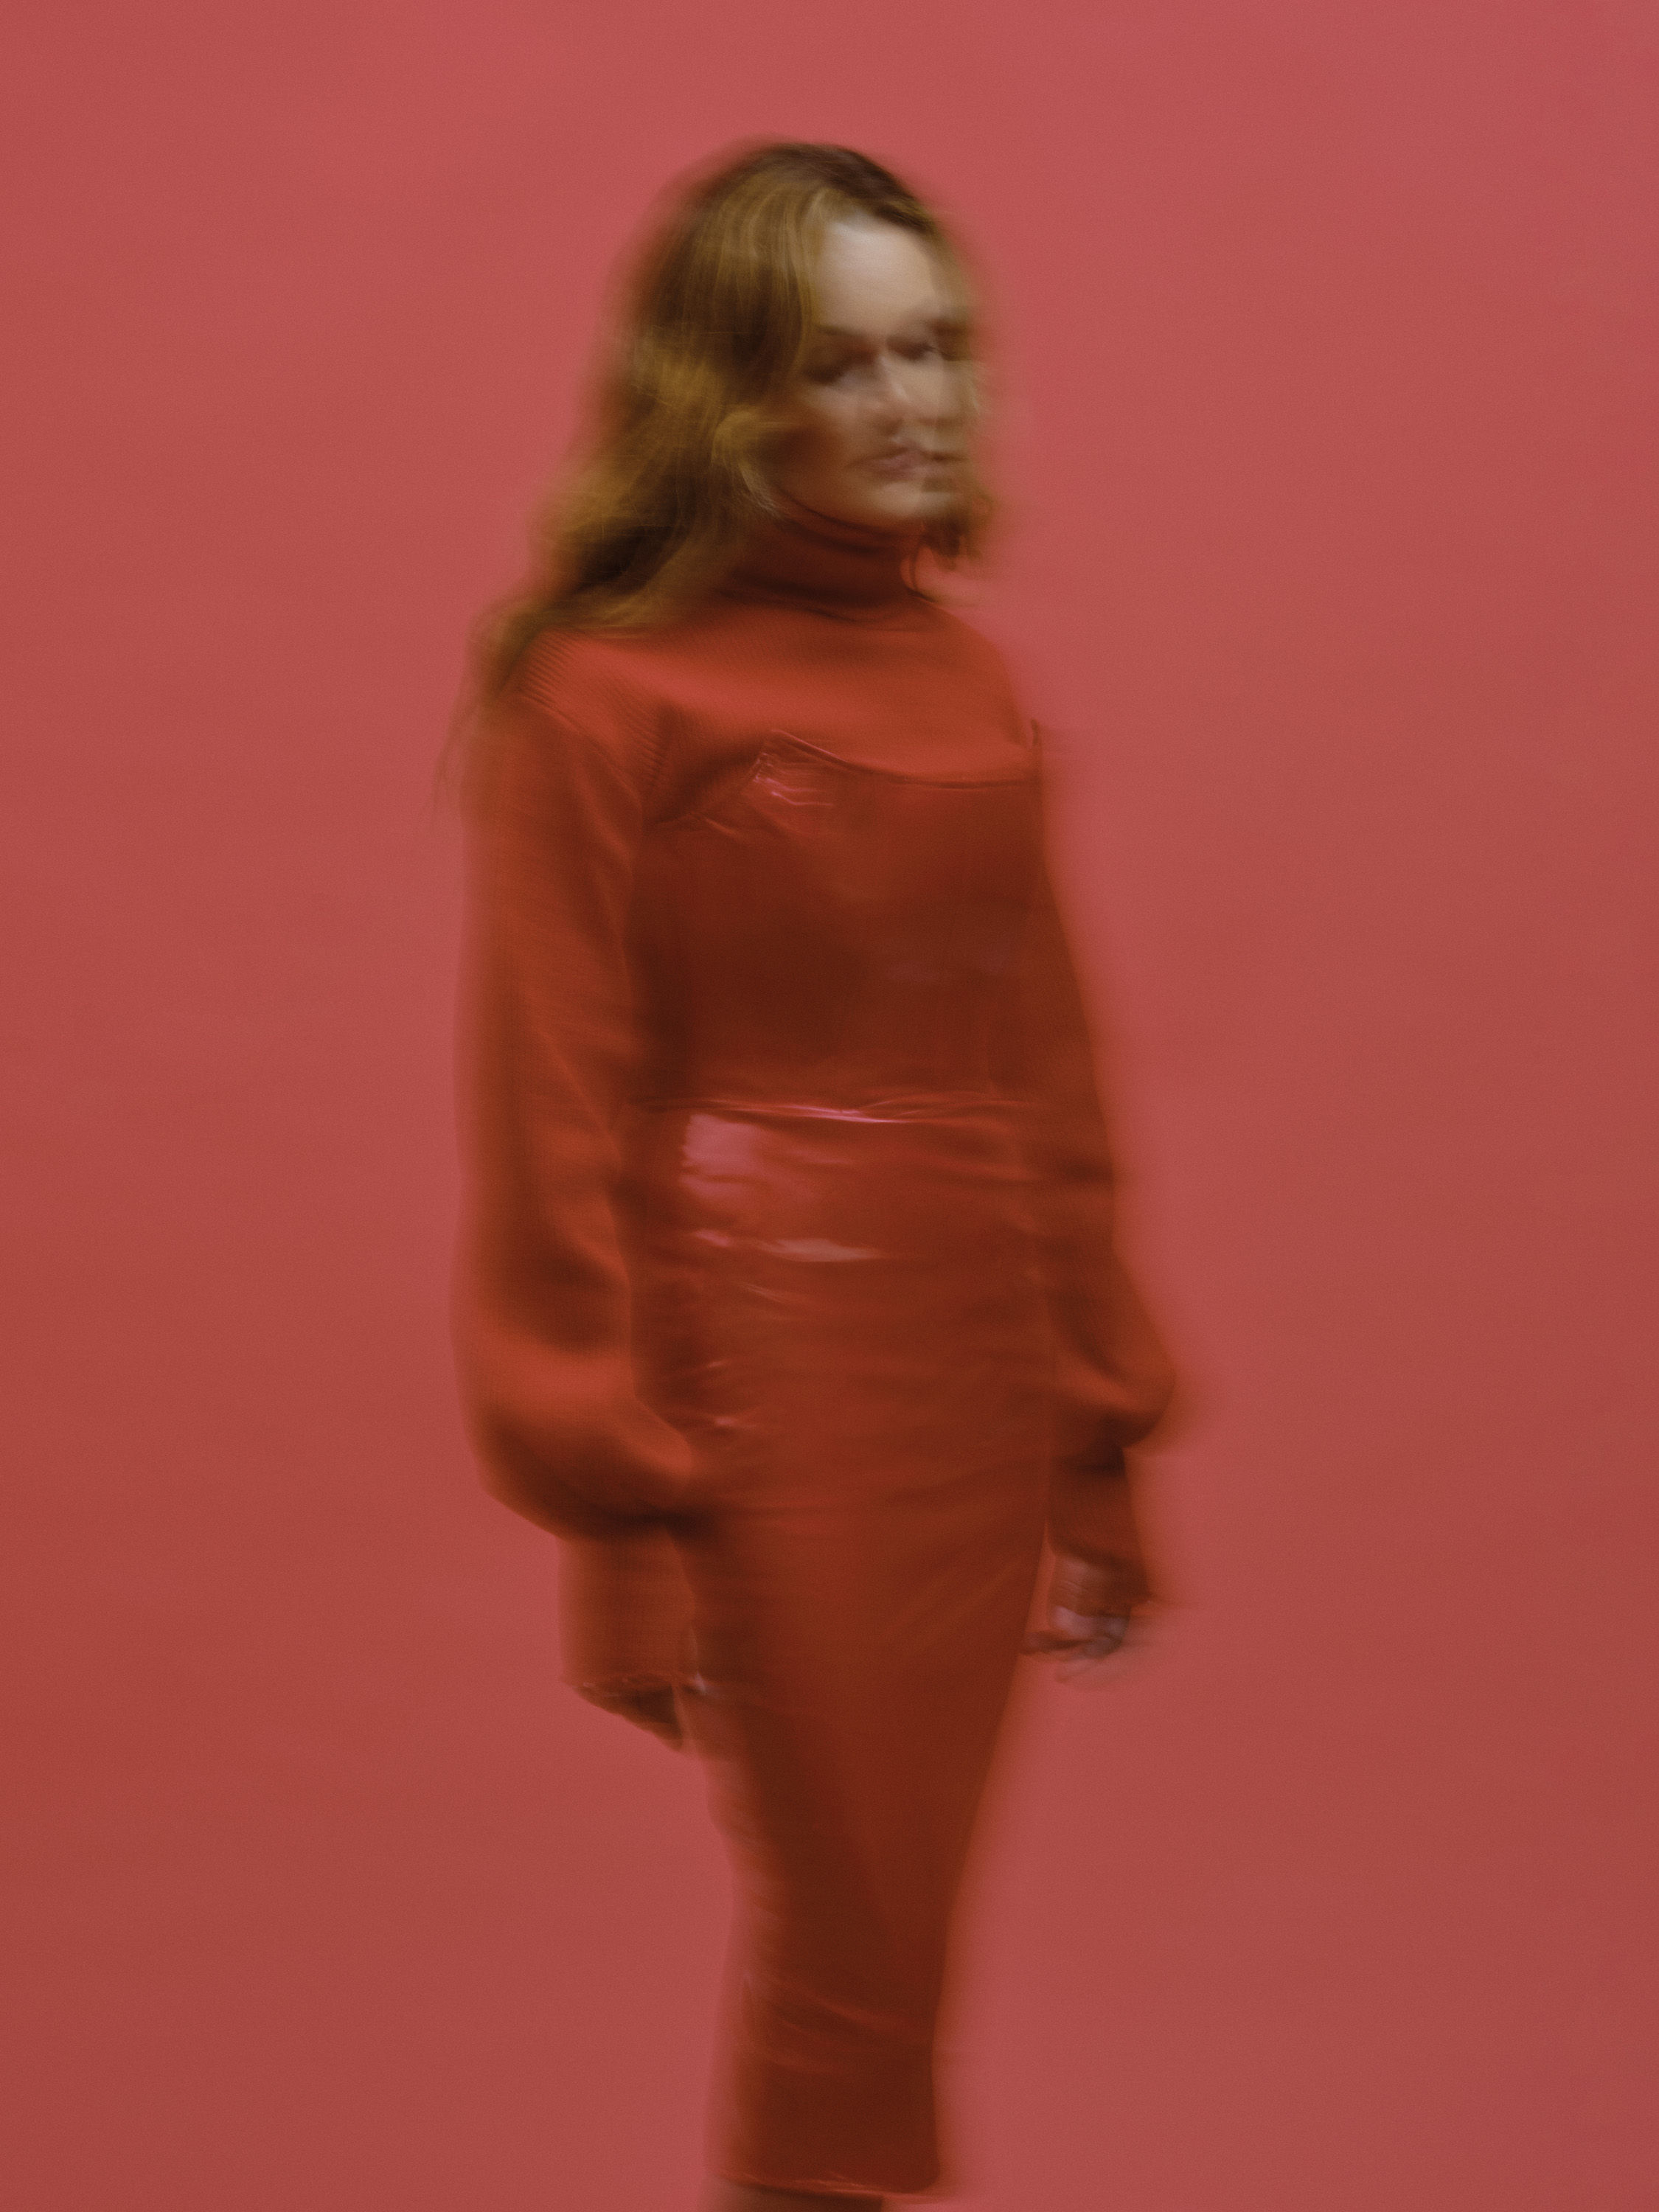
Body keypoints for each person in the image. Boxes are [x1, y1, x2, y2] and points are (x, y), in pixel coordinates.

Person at [450, 140, 1178, 2211]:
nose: (912, 400)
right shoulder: (598, 690)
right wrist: (621, 1515)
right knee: (850, 1936)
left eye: (934, 347)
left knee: (899, 1936)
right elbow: (554, 1114)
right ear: (727, 398)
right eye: (843, 363)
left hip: (974, 1362)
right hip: (760, 1371)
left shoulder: (971, 674)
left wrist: (1095, 1438)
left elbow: (1048, 1084)